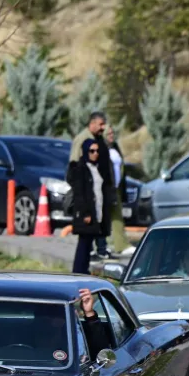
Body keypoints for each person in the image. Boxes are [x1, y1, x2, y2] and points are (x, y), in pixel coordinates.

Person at [68, 111, 114, 256]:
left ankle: (101, 249)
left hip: (100, 188)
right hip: (89, 191)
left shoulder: (99, 139)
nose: (103, 127)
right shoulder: (82, 139)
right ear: (92, 123)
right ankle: (89, 253)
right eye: (100, 124)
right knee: (88, 227)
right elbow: (74, 166)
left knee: (101, 219)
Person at [70, 139, 108, 275]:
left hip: (96, 210)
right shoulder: (81, 168)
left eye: (97, 151)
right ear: (86, 151)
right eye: (92, 151)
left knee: (89, 243)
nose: (95, 154)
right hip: (86, 213)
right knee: (83, 244)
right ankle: (78, 271)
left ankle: (83, 270)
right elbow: (80, 193)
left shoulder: (97, 167)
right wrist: (86, 213)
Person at [103, 124, 132, 257]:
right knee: (105, 218)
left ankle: (121, 244)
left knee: (117, 217)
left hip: (116, 188)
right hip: (106, 188)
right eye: (109, 134)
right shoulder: (101, 149)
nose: (112, 136)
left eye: (112, 133)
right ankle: (105, 245)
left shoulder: (115, 148)